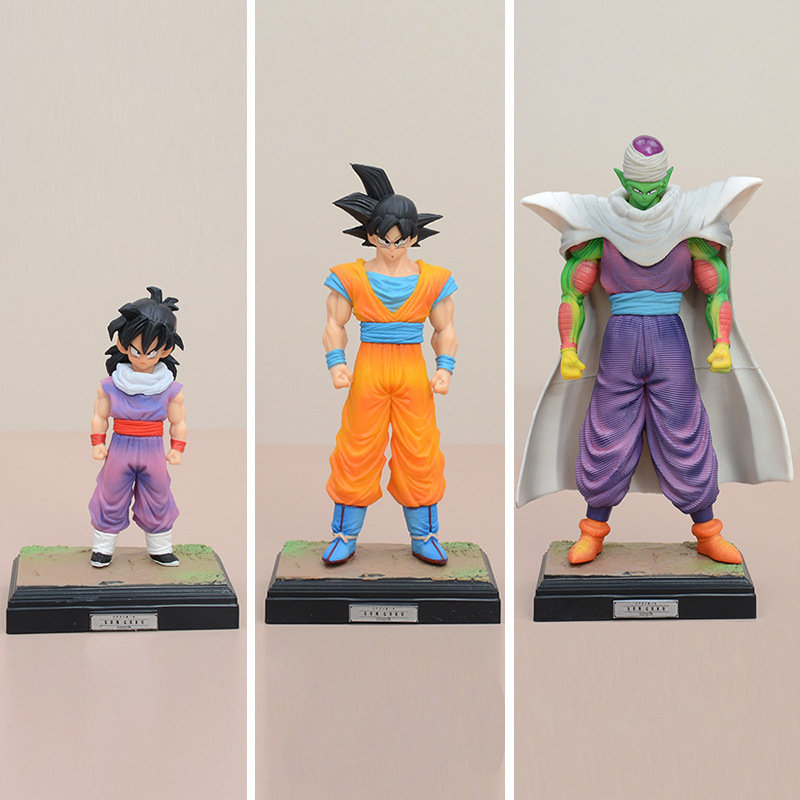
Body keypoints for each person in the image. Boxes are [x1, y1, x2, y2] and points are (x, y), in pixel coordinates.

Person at [518, 136, 792, 564]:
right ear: (621, 179)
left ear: (666, 180)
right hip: (620, 343)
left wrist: (721, 342)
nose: (645, 197)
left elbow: (716, 289)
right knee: (606, 434)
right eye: (636, 187)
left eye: (653, 187)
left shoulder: (689, 226)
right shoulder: (600, 228)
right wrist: (568, 348)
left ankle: (707, 532)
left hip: (669, 341)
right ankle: (592, 531)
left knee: (685, 431)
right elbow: (573, 292)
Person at [322, 164, 457, 565]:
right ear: (371, 235)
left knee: (420, 449)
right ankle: (344, 534)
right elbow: (334, 324)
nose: (393, 247)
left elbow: (445, 328)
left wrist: (445, 367)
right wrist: (336, 363)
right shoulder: (350, 276)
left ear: (414, 238)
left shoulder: (434, 279)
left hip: (413, 370)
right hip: (369, 368)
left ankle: (425, 535)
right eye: (384, 239)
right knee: (357, 447)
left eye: (400, 240)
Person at [89, 287, 187, 567]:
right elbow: (100, 416)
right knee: (110, 494)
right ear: (123, 345)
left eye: (151, 351)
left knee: (158, 495)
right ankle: (103, 547)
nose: (143, 358)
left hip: (153, 450)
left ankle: (160, 547)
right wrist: (98, 443)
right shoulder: (110, 386)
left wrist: (177, 448)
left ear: (166, 349)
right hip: (120, 448)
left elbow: (178, 422)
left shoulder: (170, 389)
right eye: (136, 350)